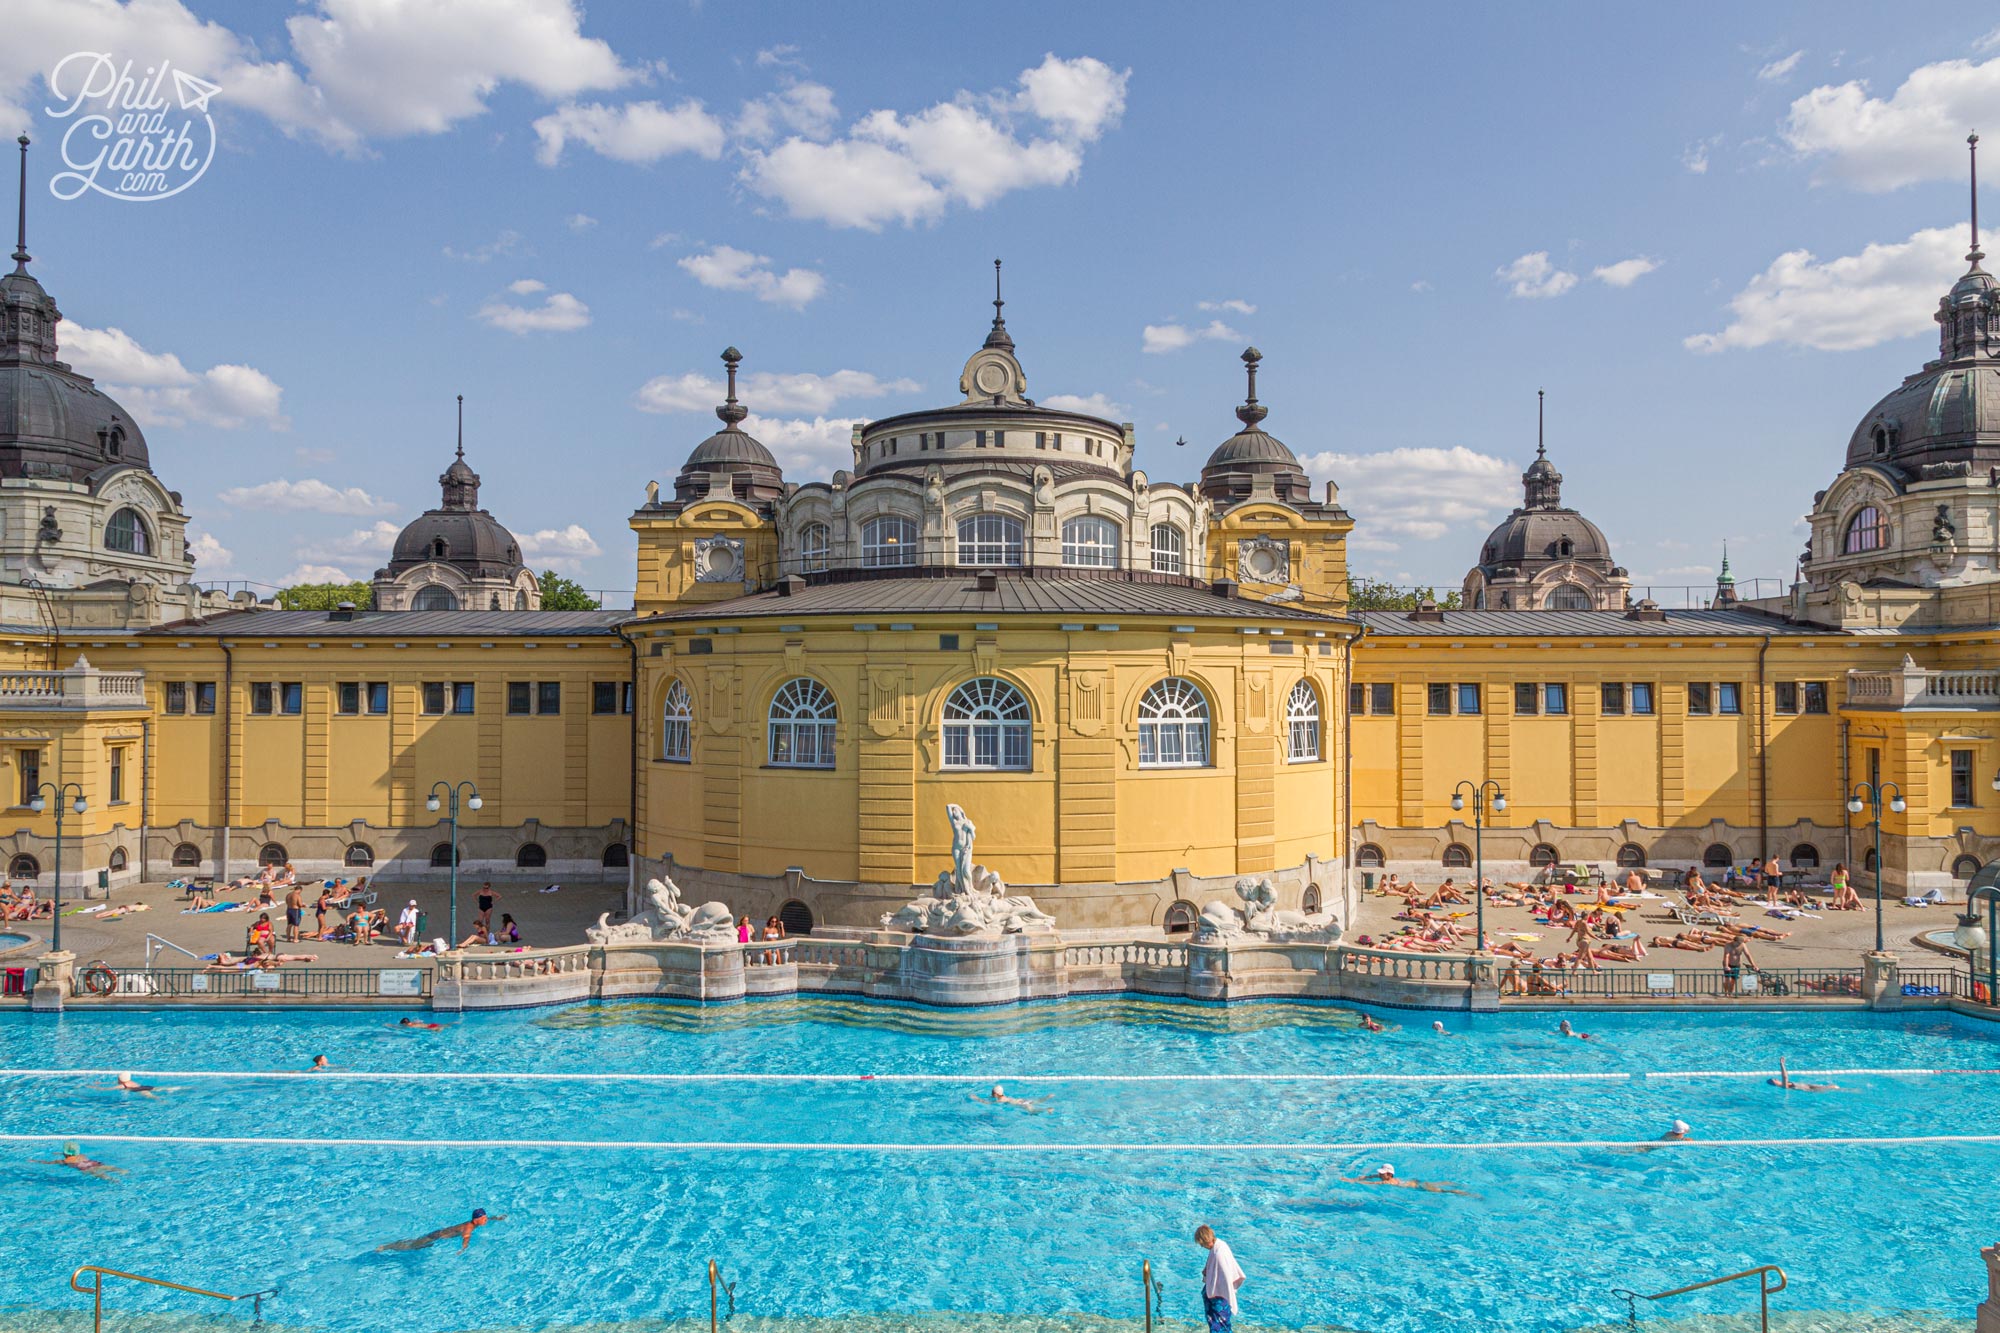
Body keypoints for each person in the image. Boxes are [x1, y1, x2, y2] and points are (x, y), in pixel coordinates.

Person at [1193, 1225, 1244, 1333]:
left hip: (1219, 1297)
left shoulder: (1219, 1253)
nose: (1202, 1246)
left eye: (1201, 1244)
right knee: (1219, 1325)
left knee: (1220, 1326)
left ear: (1204, 1240)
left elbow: (1224, 1276)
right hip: (1217, 1295)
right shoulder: (1219, 1245)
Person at [377, 1208, 499, 1253]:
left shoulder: (476, 1222)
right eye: (483, 1219)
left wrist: (497, 1218)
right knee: (412, 1246)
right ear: (476, 1219)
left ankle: (397, 1243)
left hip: (438, 1235)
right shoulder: (468, 1227)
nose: (485, 1220)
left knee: (420, 1245)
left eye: (485, 1218)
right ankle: (386, 1246)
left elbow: (489, 1218)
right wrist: (463, 1248)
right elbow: (466, 1237)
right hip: (437, 1236)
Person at [1339, 1163, 1471, 1196]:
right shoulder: (1388, 1177)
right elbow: (1369, 1177)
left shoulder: (1387, 1181)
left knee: (1443, 1191)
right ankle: (1458, 1184)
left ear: (1389, 1175)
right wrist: (1355, 1178)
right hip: (1416, 1181)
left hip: (1419, 1187)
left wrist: (1352, 1182)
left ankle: (1462, 1192)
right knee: (1439, 1184)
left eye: (1383, 1173)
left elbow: (1372, 1182)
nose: (1380, 1174)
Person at [35, 1141, 124, 1180]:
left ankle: (112, 1180)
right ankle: (122, 1171)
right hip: (93, 1163)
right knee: (107, 1167)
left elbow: (49, 1163)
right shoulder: (82, 1156)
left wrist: (36, 1162)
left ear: (65, 1153)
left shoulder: (66, 1161)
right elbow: (71, 1155)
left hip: (84, 1168)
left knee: (100, 1175)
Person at [970, 1083, 1053, 1114]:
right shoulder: (1004, 1096)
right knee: (1036, 1101)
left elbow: (988, 1103)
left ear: (995, 1094)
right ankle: (1047, 1097)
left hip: (1022, 1104)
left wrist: (976, 1098)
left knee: (1032, 1112)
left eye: (992, 1093)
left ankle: (1046, 1109)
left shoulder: (1000, 1100)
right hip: (1022, 1100)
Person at [1769, 1055, 1838, 1092]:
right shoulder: (1784, 1086)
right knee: (1834, 1087)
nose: (1776, 1079)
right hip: (1811, 1089)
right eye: (1774, 1079)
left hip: (1809, 1086)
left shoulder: (1786, 1084)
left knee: (1833, 1086)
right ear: (1774, 1083)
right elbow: (1785, 1077)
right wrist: (1782, 1065)